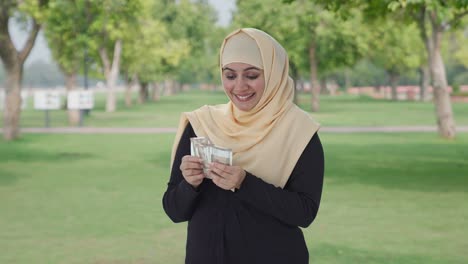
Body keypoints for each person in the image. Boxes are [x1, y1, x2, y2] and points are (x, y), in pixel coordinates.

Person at [162, 28, 324, 264]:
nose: (239, 87)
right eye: (230, 76)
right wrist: (190, 184)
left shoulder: (299, 131)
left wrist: (244, 183)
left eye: (251, 75)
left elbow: (304, 213)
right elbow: (174, 211)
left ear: (273, 74)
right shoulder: (202, 123)